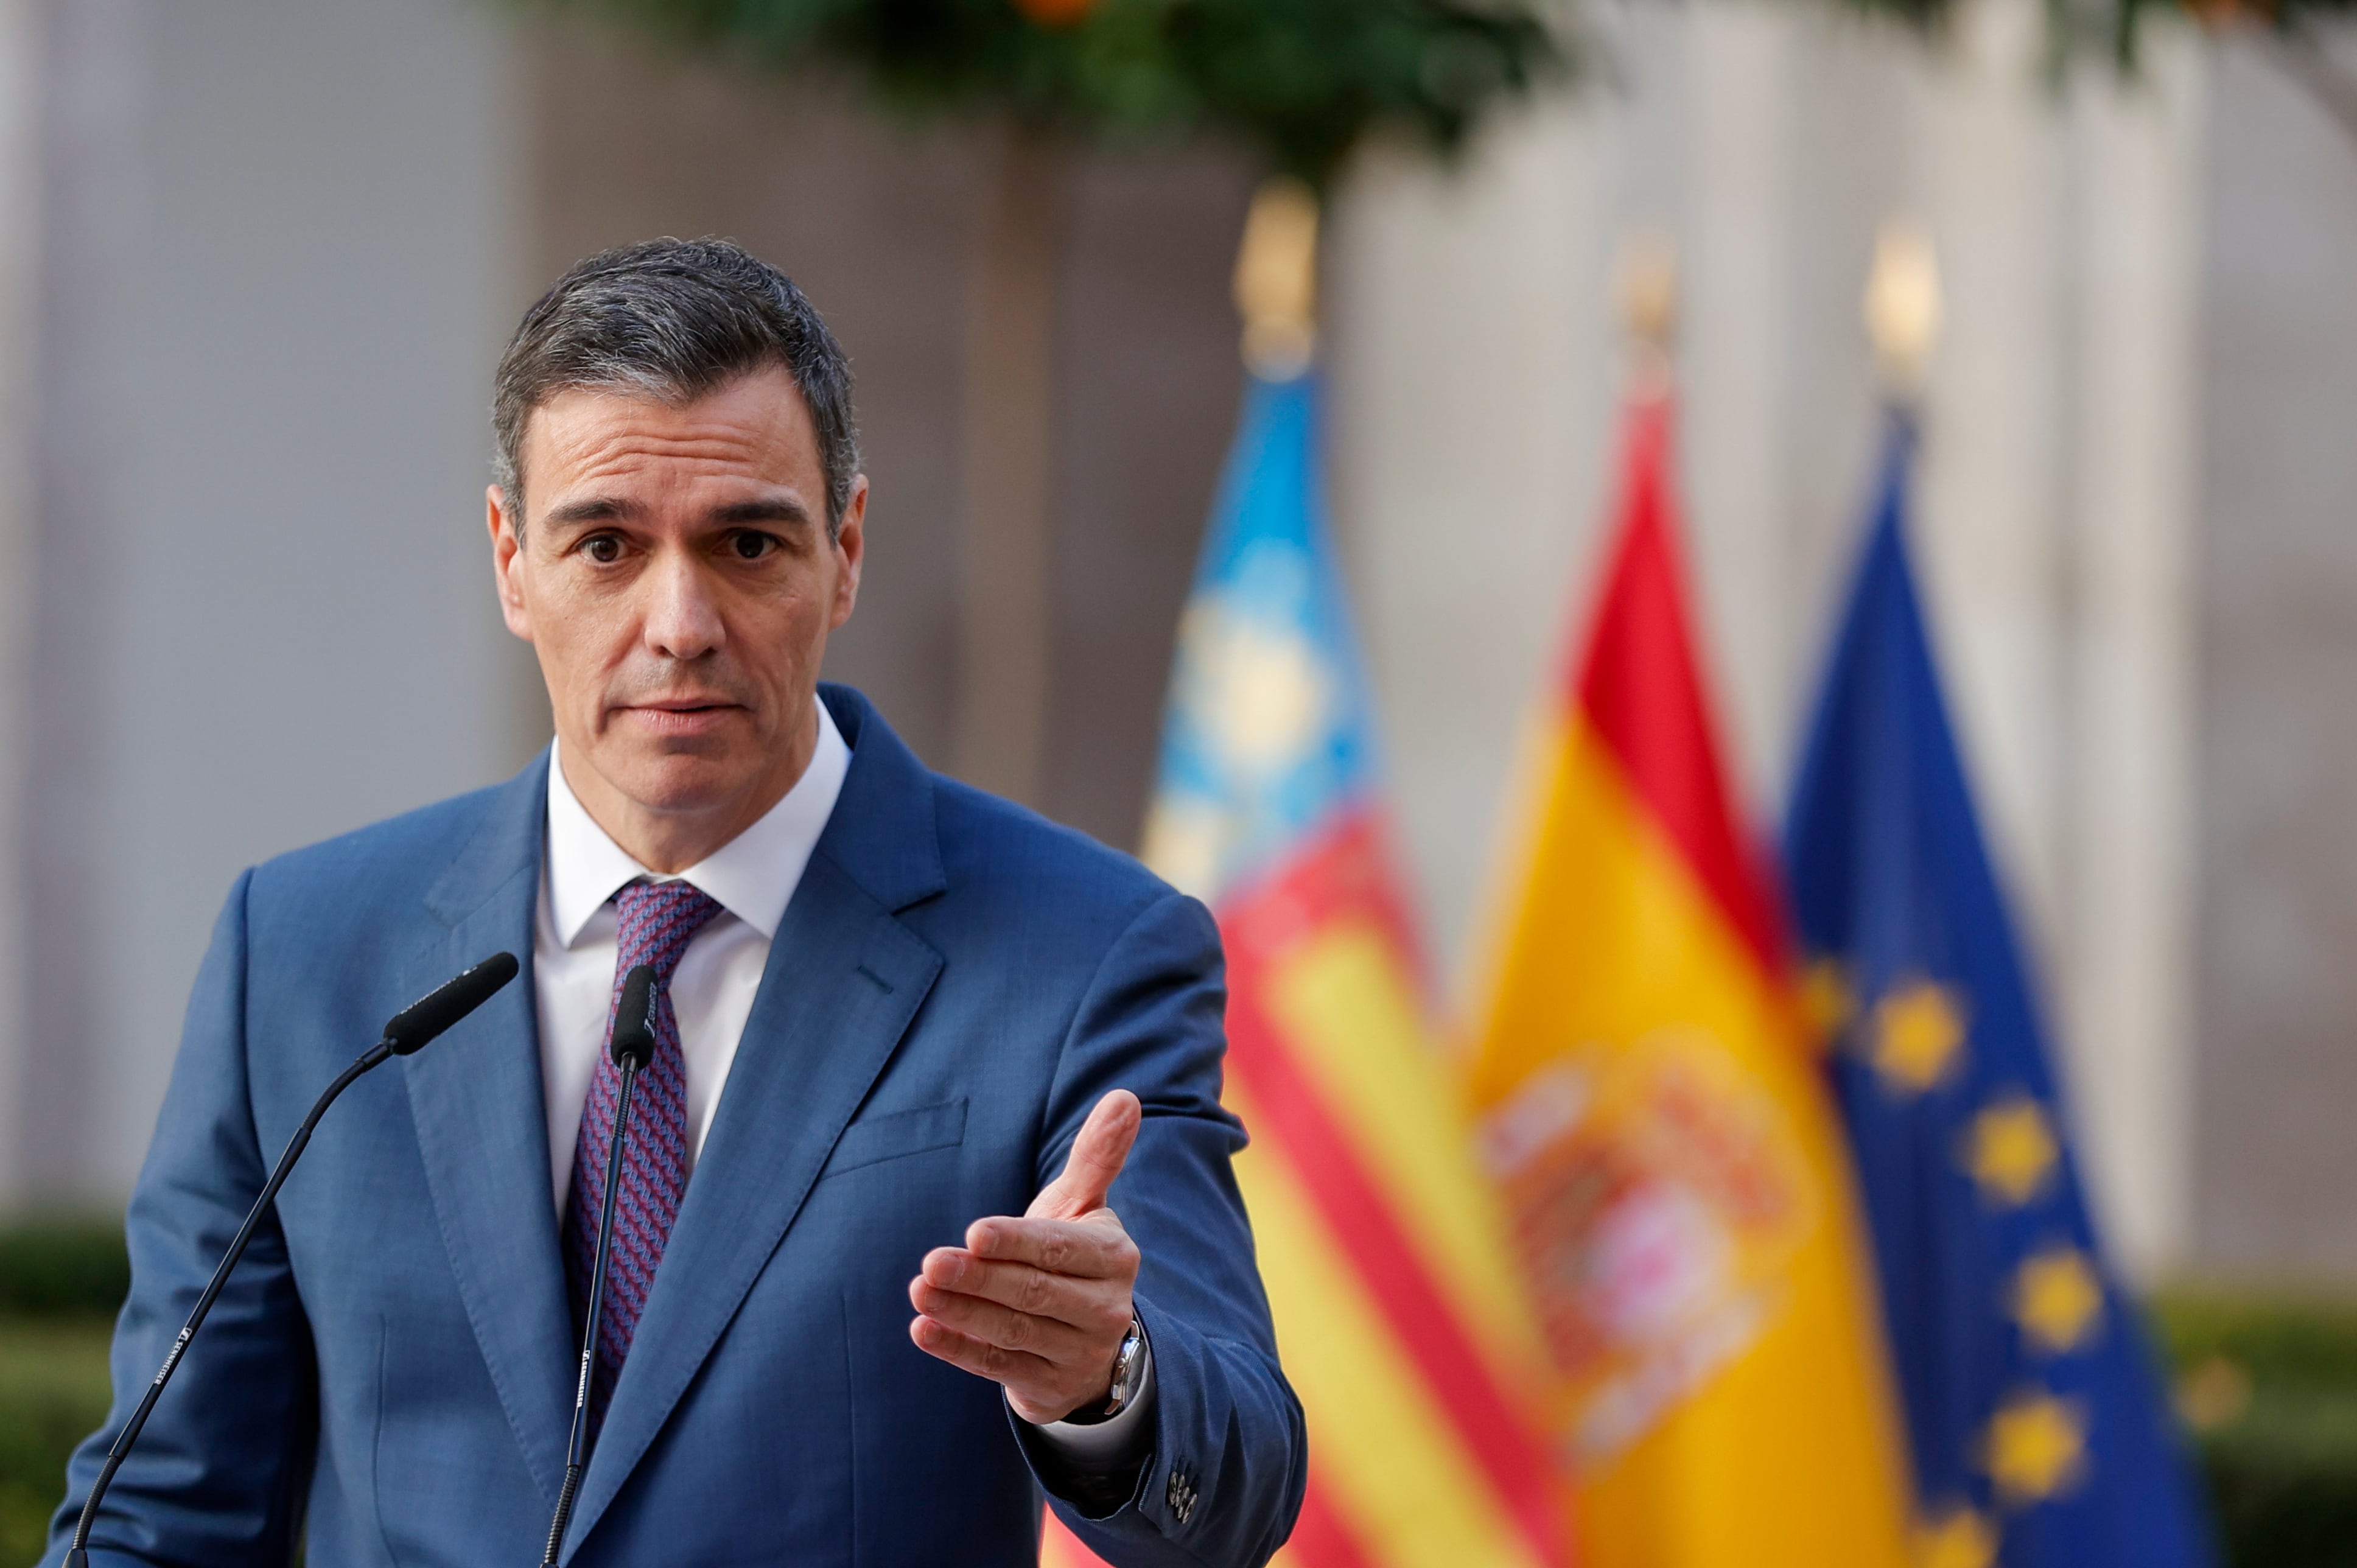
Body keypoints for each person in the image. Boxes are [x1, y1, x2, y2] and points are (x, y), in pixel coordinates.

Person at [47, 238, 1305, 1567]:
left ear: (848, 549)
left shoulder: (1086, 949)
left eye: (748, 542)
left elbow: (1230, 1502)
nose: (681, 621)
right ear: (511, 562)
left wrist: (1104, 1385)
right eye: (605, 544)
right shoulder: (299, 952)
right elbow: (160, 1507)